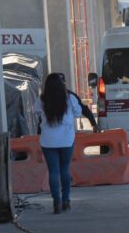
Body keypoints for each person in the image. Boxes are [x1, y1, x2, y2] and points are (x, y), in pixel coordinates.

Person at [39, 73, 94, 214]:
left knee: (53, 171)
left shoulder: (42, 99)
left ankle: (56, 202)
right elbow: (78, 112)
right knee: (64, 169)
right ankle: (66, 200)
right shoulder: (69, 97)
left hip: (48, 141)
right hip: (66, 140)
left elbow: (35, 110)